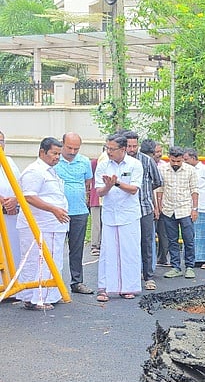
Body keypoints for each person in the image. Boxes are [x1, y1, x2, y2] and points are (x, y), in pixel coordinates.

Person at [15, 137, 70, 311]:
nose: (57, 157)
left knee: (49, 260)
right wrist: (53, 209)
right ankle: (39, 298)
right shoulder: (35, 171)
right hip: (41, 224)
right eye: (54, 153)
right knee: (40, 261)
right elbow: (29, 196)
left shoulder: (50, 171)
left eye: (59, 154)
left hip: (51, 225)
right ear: (42, 152)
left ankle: (45, 294)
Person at [94, 133, 143, 301]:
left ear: (123, 149)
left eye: (112, 149)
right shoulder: (103, 165)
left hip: (129, 214)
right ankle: (104, 287)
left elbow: (134, 189)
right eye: (107, 148)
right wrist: (107, 186)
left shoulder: (135, 165)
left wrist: (116, 183)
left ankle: (128, 287)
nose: (109, 152)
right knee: (108, 251)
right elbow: (99, 191)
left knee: (129, 251)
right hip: (110, 213)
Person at [55, 132, 94, 295]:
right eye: (69, 148)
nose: (72, 152)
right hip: (57, 211)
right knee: (55, 248)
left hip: (79, 211)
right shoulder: (54, 161)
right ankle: (54, 282)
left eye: (76, 149)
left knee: (76, 249)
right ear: (62, 144)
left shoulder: (84, 161)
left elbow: (87, 183)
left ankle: (77, 282)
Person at [126, 132, 162, 291]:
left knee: (147, 242)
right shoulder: (119, 162)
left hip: (144, 208)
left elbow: (157, 181)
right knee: (127, 243)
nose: (132, 149)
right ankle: (129, 276)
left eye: (134, 146)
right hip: (126, 211)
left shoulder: (147, 161)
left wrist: (145, 194)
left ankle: (148, 277)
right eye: (129, 146)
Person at [158, 146, 198, 279]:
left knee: (189, 239)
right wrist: (159, 207)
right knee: (172, 240)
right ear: (169, 158)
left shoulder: (190, 170)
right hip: (168, 209)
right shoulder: (162, 169)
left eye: (178, 161)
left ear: (182, 159)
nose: (175, 164)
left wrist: (194, 209)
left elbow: (194, 190)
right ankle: (175, 267)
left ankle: (190, 267)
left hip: (185, 210)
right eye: (173, 161)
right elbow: (160, 190)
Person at [183, 148, 205, 269]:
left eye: (186, 159)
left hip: (204, 206)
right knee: (193, 234)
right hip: (190, 207)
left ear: (193, 158)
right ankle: (196, 258)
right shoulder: (187, 171)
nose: (184, 161)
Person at [0, 130, 22, 267]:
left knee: (13, 252)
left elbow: (19, 184)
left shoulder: (9, 161)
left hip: (12, 215)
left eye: (1, 141)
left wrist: (15, 201)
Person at [150, 142, 170, 267]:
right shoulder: (145, 165)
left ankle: (163, 257)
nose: (159, 154)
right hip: (150, 204)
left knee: (163, 233)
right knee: (150, 233)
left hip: (163, 203)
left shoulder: (164, 166)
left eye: (160, 151)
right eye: (156, 152)